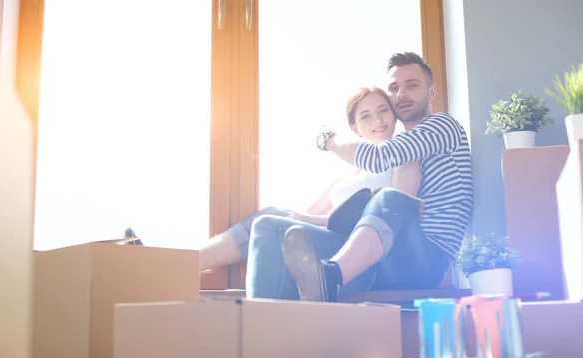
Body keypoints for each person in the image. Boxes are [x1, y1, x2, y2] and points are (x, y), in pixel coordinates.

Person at [248, 51, 474, 302]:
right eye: (394, 87)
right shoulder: (406, 146)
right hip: (382, 257)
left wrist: (328, 140)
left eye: (412, 85)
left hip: (428, 259)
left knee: (391, 198)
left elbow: (378, 158)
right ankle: (258, 323)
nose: (401, 94)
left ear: (431, 92)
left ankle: (330, 277)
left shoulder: (441, 125)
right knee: (267, 227)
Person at [197, 86, 422, 272]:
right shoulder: (345, 177)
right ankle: (189, 263)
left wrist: (308, 220)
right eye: (366, 116)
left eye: (383, 111)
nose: (378, 120)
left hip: (353, 247)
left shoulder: (403, 159)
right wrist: (302, 218)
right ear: (354, 128)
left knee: (271, 218)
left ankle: (188, 264)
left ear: (393, 115)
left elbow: (394, 217)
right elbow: (310, 213)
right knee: (269, 216)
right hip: (328, 233)